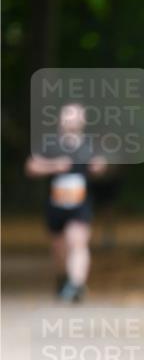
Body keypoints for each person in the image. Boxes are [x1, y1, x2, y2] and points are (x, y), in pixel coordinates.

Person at [25, 102, 107, 302]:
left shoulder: (90, 143)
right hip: (56, 204)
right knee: (59, 248)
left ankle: (77, 285)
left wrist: (99, 167)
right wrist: (54, 166)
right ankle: (64, 278)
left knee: (78, 243)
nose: (73, 119)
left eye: (77, 115)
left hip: (80, 204)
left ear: (84, 120)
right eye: (69, 115)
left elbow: (102, 163)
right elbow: (31, 167)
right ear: (61, 119)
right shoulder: (50, 143)